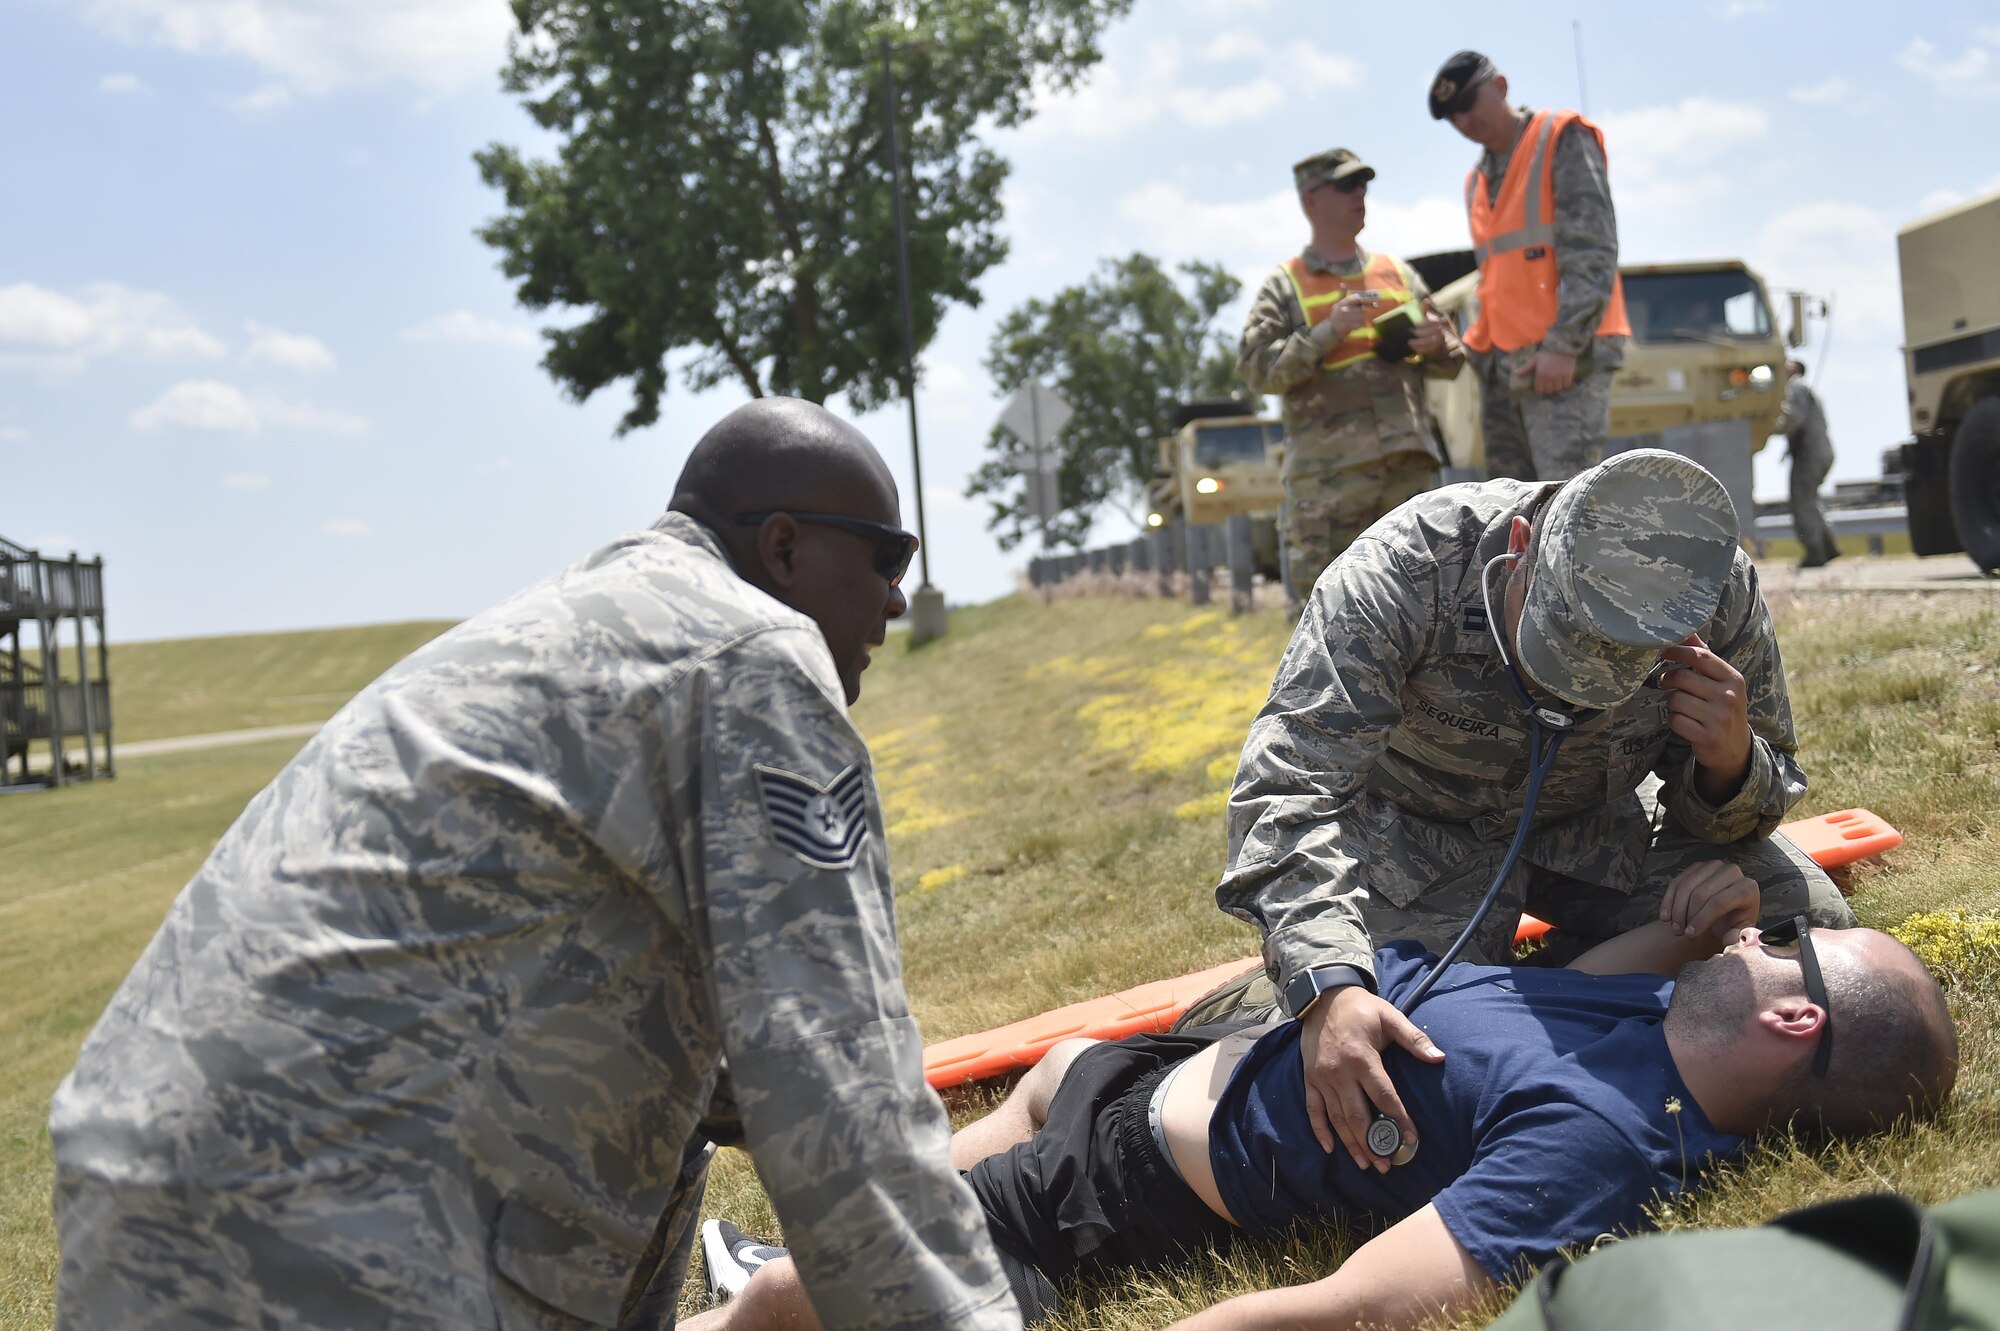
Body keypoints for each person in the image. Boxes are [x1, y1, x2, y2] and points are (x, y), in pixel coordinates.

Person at [48, 399, 1022, 1331]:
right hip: (330, 1239)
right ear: (782, 545)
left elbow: (706, 1052)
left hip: (144, 1194)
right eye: (885, 555)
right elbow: (838, 1094)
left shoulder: (582, 621)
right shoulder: (753, 652)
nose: (896, 593)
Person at [687, 865, 1957, 1331]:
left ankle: (740, 1301)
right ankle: (769, 1268)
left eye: (1779, 946)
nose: (1755, 941)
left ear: (1795, 1020)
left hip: (1118, 1175)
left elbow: (1370, 1297)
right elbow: (1577, 982)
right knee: (998, 1121)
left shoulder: (1606, 1143)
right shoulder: (1649, 1012)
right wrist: (1703, 918)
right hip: (1148, 1064)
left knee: (880, 1268)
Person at [1204, 447, 1858, 1179]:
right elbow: (1289, 787)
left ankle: (1563, 983)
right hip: (1418, 845)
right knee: (1385, 1056)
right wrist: (1326, 981)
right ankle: (1268, 997)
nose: (1576, 698)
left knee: (1806, 930)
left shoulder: (1712, 583)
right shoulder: (1403, 570)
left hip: (1601, 827)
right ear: (1519, 547)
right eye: (1560, 649)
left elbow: (1761, 793)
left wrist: (1730, 764)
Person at [1238, 147, 1465, 600]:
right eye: (1345, 185)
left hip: (1406, 472)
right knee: (1331, 616)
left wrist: (1437, 345)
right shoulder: (1285, 285)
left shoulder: (1397, 273)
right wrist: (1326, 334)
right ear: (1310, 201)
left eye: (1362, 184)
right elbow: (1257, 371)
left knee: (1423, 611)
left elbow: (1454, 355)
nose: (1359, 194)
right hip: (1329, 486)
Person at [1430, 50, 1628, 482]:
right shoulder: (1476, 181)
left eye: (1467, 103)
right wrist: (1474, 352)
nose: (1463, 121)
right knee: (1512, 513)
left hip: (1564, 365)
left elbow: (1592, 250)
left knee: (1563, 505)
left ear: (1500, 87)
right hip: (1505, 372)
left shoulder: (1561, 137)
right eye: (1452, 115)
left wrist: (1563, 345)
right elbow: (1498, 279)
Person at [1774, 359, 1840, 568]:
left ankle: (1815, 551)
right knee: (1810, 500)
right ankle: (1828, 547)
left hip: (1808, 453)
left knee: (1801, 501)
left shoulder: (1795, 388)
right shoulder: (1803, 388)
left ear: (1795, 369)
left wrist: (1767, 426)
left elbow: (1794, 419)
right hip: (1821, 451)